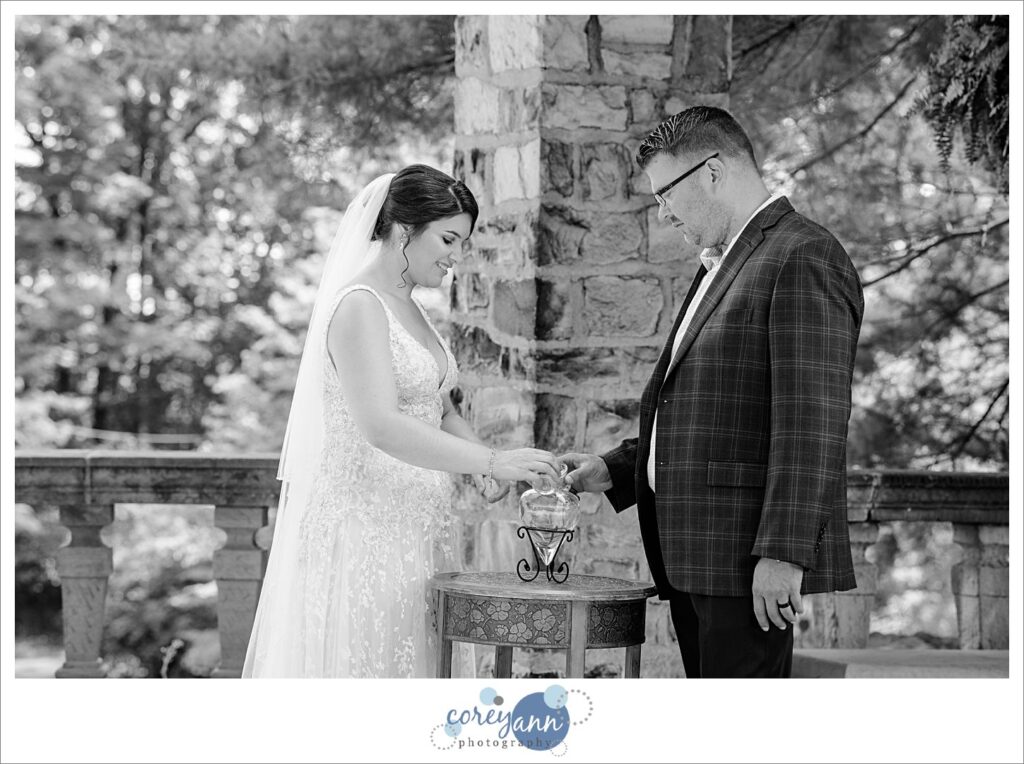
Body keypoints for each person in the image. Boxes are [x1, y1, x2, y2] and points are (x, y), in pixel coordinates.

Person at [561, 107, 864, 678]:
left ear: (713, 171)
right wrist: (615, 469)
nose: (663, 212)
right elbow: (705, 410)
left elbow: (812, 422)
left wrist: (783, 554)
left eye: (666, 193)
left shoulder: (802, 255)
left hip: (747, 565)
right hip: (696, 557)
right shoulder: (719, 264)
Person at [243, 165, 563, 677]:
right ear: (402, 230)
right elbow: (381, 426)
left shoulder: (413, 309)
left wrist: (478, 465)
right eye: (449, 239)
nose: (457, 257)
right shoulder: (359, 307)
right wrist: (494, 460)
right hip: (365, 530)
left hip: (419, 526)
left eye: (463, 242)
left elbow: (442, 407)